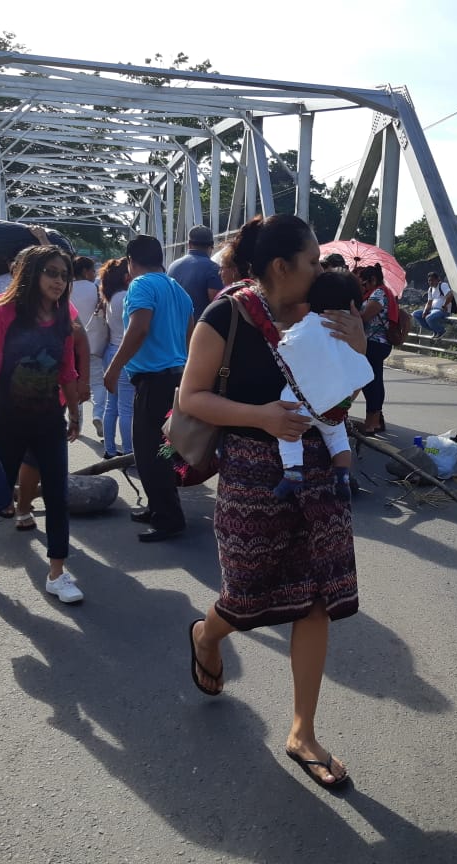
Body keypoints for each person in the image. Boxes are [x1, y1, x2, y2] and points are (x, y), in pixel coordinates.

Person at [179, 213, 366, 790]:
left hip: (316, 473)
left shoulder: (328, 314)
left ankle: (302, 731)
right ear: (282, 267)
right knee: (249, 593)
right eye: (312, 262)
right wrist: (261, 416)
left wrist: (357, 351)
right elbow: (192, 397)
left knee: (315, 599)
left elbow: (339, 392)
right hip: (253, 471)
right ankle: (206, 635)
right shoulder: (227, 315)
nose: (321, 271)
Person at [0, 246, 84, 603]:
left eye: (64, 274)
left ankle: (57, 572)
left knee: (57, 495)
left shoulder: (63, 317)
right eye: (51, 273)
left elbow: (67, 371)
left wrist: (75, 412)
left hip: (48, 420)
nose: (59, 281)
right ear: (32, 273)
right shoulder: (2, 312)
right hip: (8, 419)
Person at [103, 235, 194, 542]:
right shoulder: (179, 291)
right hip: (177, 376)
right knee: (164, 449)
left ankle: (168, 518)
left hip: (154, 379)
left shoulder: (140, 286)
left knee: (149, 452)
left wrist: (113, 368)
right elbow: (191, 335)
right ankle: (159, 507)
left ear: (131, 260)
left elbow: (139, 328)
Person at [272, 270, 370, 500]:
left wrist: (280, 331)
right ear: (354, 304)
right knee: (337, 437)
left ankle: (293, 471)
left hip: (304, 405)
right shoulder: (354, 331)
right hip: (337, 405)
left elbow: (288, 344)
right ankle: (343, 476)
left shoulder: (312, 323)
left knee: (290, 431)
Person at [98, 257, 134, 459]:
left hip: (111, 350)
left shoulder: (112, 297)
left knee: (112, 405)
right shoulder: (128, 296)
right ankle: (129, 452)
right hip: (125, 354)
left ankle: (110, 449)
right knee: (126, 407)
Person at [70, 255, 106, 437]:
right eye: (93, 271)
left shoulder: (66, 289)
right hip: (94, 343)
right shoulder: (95, 290)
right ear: (85, 271)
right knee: (98, 383)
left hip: (72, 343)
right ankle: (99, 414)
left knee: (75, 381)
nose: (94, 274)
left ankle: (77, 421)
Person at [356, 263, 393, 434]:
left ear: (372, 279)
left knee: (371, 383)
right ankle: (374, 421)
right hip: (377, 343)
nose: (363, 287)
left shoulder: (379, 293)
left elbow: (365, 316)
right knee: (374, 381)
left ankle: (372, 423)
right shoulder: (378, 292)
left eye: (364, 283)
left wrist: (351, 307)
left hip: (375, 342)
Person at [167, 225, 222, 317]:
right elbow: (217, 306)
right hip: (200, 329)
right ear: (212, 245)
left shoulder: (172, 266)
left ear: (189, 244)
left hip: (175, 328)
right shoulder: (214, 269)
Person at [412, 271, 454, 339]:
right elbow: (429, 302)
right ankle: (435, 330)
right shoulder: (430, 289)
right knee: (416, 314)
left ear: (438, 279)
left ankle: (441, 331)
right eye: (429, 280)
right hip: (432, 310)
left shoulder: (442, 285)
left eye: (432, 280)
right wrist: (425, 311)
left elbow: (450, 295)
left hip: (442, 310)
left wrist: (444, 305)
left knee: (429, 318)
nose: (430, 282)